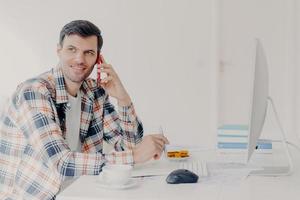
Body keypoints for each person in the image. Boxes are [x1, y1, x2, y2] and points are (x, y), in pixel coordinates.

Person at [0, 20, 169, 200]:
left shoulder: (94, 92)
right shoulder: (34, 92)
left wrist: (123, 98)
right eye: (72, 49)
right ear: (59, 51)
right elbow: (61, 162)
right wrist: (134, 156)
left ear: (98, 59)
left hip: (80, 192)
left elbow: (128, 146)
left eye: (88, 53)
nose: (80, 59)